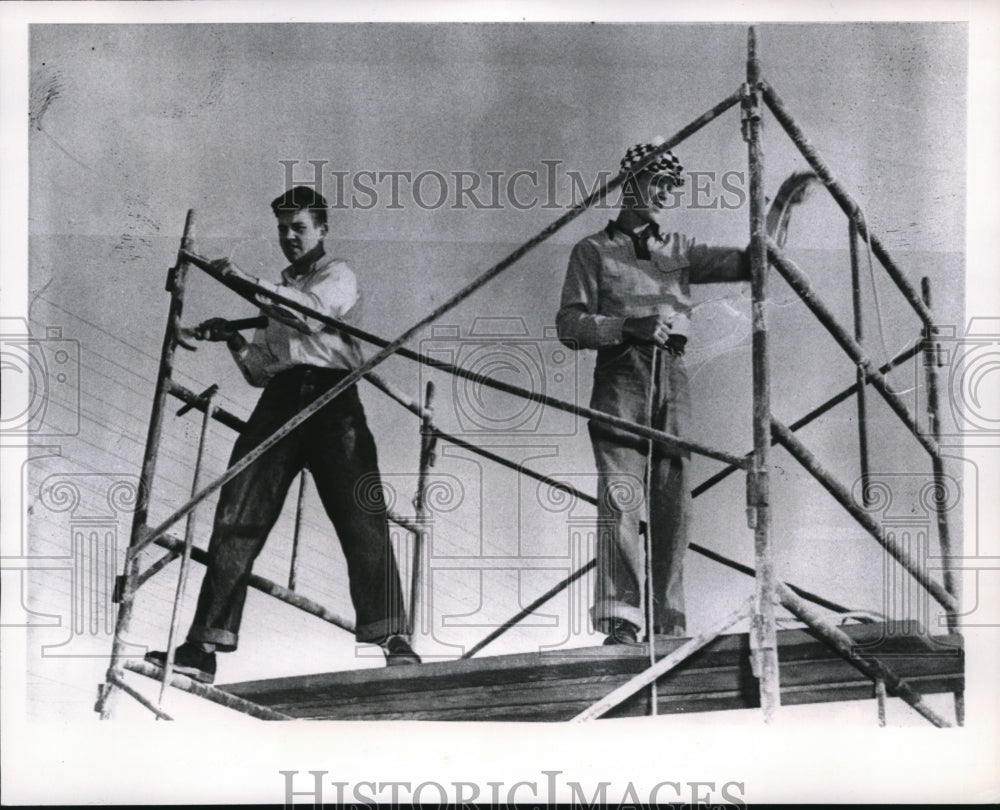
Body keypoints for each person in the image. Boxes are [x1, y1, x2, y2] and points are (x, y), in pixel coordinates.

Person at [146, 186, 419, 683]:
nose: (290, 236)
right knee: (238, 511)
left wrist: (243, 281)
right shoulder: (276, 293)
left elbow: (307, 314)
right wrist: (233, 337)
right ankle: (203, 645)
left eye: (299, 227)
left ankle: (393, 638)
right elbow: (259, 370)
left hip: (333, 400)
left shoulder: (338, 275)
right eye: (283, 229)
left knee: (361, 514)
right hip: (280, 399)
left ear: (322, 230)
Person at [556, 140, 751, 645]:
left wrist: (776, 221)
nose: (665, 193)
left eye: (672, 185)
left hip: (674, 375)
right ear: (630, 183)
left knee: (674, 501)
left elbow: (749, 263)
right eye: (657, 182)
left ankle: (669, 622)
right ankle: (622, 618)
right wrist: (626, 326)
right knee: (622, 494)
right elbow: (569, 325)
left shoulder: (679, 251)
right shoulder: (593, 250)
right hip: (621, 373)